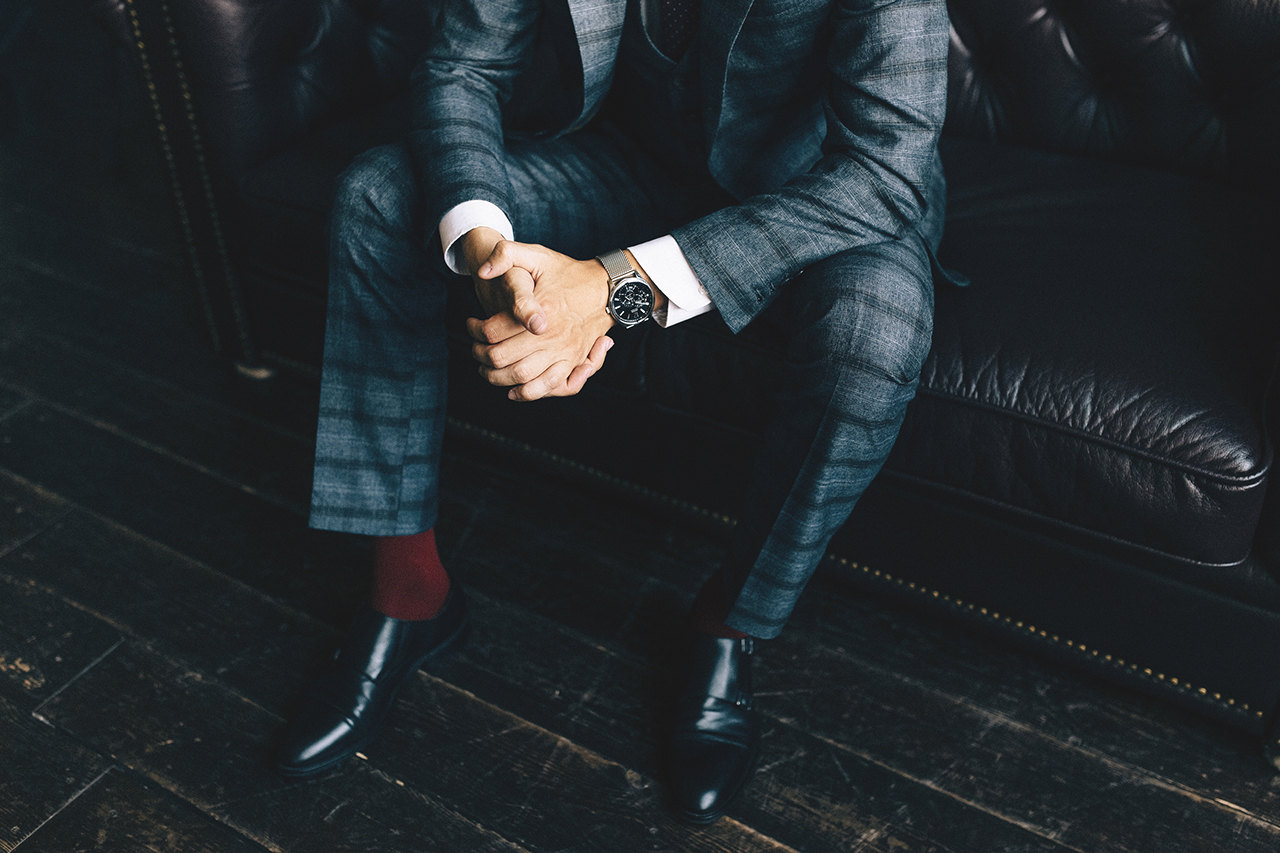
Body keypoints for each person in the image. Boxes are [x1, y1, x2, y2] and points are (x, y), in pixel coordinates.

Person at [276, 0, 952, 824]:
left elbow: (884, 173)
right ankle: (409, 592)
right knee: (380, 194)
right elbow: (463, 67)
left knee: (877, 336)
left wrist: (616, 287)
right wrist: (495, 259)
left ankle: (723, 625)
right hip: (634, 159)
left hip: (816, 200)